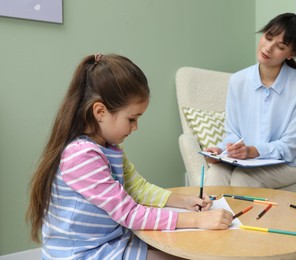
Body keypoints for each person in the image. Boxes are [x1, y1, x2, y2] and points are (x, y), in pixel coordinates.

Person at [26, 53, 233, 260]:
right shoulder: (82, 156)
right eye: (132, 119)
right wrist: (197, 221)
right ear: (100, 112)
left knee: (187, 249)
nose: (135, 127)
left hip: (111, 240)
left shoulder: (110, 146)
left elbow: (137, 188)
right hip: (84, 254)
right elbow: (129, 213)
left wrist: (186, 202)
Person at [204, 13, 296, 188]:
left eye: (280, 46)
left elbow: (290, 145)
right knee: (216, 174)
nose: (268, 48)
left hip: (290, 162)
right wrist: (221, 150)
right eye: (268, 37)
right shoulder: (238, 80)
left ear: (291, 54)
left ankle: (239, 216)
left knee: (243, 179)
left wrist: (253, 151)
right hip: (246, 160)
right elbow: (233, 133)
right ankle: (209, 216)